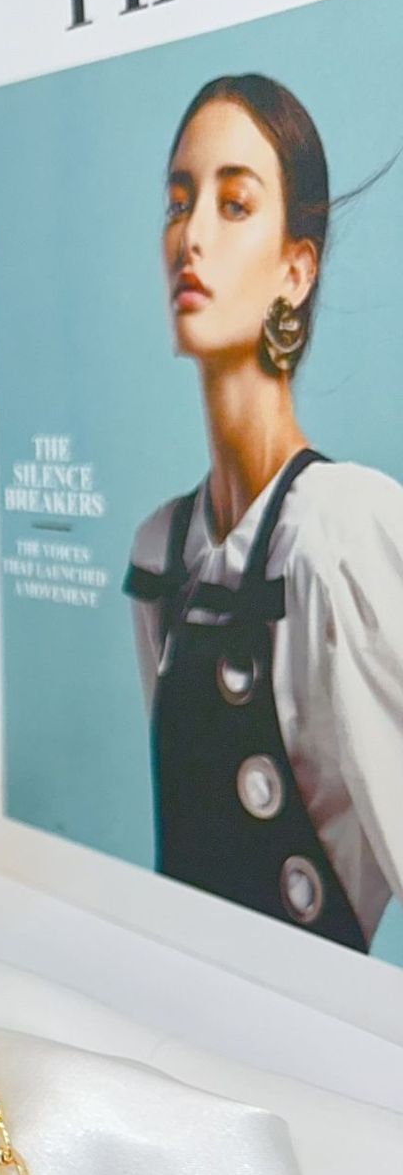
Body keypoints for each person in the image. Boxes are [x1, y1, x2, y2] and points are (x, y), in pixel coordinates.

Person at [122, 74, 403, 952]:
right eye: (179, 202)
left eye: (234, 203)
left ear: (295, 269)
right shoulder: (160, 552)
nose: (191, 236)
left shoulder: (341, 534)